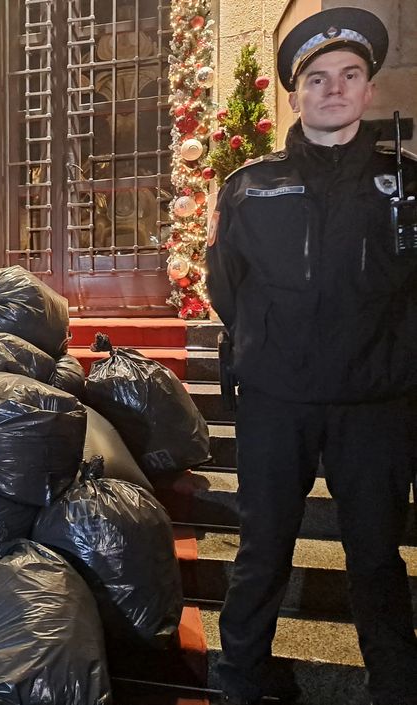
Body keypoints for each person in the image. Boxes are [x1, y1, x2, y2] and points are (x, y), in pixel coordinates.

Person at [206, 8, 417, 705]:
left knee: (377, 560)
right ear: (294, 94)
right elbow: (226, 284)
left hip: (376, 407)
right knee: (261, 552)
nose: (334, 89)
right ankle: (240, 682)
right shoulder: (249, 186)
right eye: (317, 78)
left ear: (366, 88)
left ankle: (395, 684)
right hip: (277, 402)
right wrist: (269, 348)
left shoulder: (406, 185)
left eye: (349, 75)